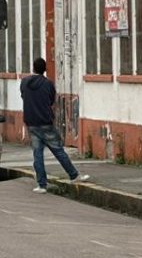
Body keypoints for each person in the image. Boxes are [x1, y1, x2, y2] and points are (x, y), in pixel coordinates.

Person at [21, 57, 91, 194]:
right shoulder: (48, 84)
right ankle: (74, 175)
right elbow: (52, 100)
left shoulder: (24, 83)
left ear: (33, 68)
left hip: (31, 123)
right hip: (45, 122)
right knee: (58, 150)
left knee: (38, 154)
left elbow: (23, 96)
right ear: (44, 69)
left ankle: (42, 185)